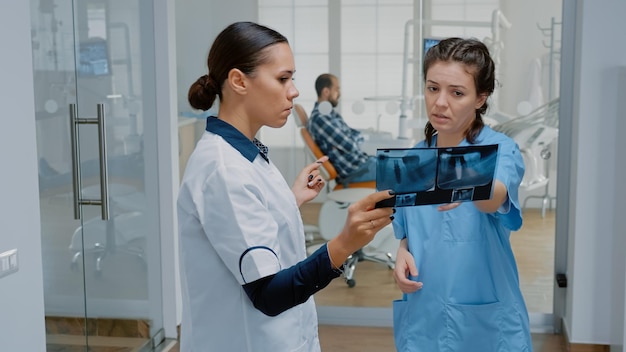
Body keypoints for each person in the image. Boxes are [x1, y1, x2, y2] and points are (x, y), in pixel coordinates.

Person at [177, 21, 395, 352]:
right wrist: (344, 244)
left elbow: (244, 228)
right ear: (238, 81)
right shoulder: (222, 170)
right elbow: (268, 294)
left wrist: (287, 201)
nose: (294, 91)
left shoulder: (245, 153)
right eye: (283, 79)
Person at [391, 37, 532, 351]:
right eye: (432, 88)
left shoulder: (499, 149)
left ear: (481, 98)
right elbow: (407, 226)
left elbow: (496, 196)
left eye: (457, 93)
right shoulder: (415, 156)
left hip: (483, 317)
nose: (440, 102)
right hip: (424, 307)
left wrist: (470, 183)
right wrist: (402, 252)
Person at [307, 73, 377, 185]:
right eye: (337, 89)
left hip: (364, 163)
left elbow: (353, 133)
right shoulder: (321, 118)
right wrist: (353, 138)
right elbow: (351, 145)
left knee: (402, 162)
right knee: (403, 168)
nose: (339, 94)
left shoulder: (330, 114)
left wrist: (353, 137)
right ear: (326, 92)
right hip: (358, 171)